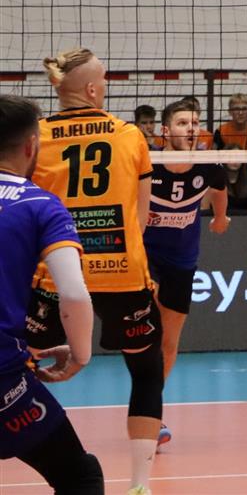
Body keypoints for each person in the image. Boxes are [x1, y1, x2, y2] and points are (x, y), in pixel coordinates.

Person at [26, 48, 165, 495]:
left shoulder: (37, 137)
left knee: (14, 365)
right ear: (91, 89)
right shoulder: (128, 135)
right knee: (146, 372)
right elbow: (141, 218)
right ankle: (139, 486)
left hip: (55, 273)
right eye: (103, 80)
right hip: (122, 275)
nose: (104, 87)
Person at [0, 95, 103, 494]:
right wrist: (80, 353)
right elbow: (73, 293)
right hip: (3, 377)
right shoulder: (40, 204)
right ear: (31, 147)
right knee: (80, 476)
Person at [142, 99, 229, 447]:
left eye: (195, 123)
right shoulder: (146, 161)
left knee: (168, 342)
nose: (190, 128)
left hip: (182, 259)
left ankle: (152, 409)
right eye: (182, 123)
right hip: (145, 256)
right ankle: (144, 406)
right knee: (148, 334)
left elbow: (220, 191)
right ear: (165, 131)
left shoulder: (209, 164)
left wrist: (220, 217)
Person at [220, 143, 247, 211]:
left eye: (238, 157)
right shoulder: (217, 181)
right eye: (231, 157)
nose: (235, 161)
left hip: (246, 217)